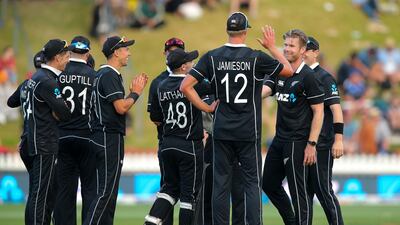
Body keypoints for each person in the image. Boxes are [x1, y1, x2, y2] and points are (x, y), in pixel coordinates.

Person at [180, 12, 293, 225]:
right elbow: (287, 70)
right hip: (248, 130)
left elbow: (185, 86)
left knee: (220, 185)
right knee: (252, 183)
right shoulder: (255, 56)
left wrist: (207, 107)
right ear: (245, 31)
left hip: (222, 129)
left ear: (227, 31)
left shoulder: (212, 57)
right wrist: (271, 46)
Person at [261, 29, 324, 225]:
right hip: (280, 139)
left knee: (299, 192)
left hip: (298, 141)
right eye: (285, 45)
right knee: (268, 183)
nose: (287, 49)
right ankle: (291, 221)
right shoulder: (280, 72)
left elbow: (319, 112)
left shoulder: (308, 76)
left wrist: (311, 144)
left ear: (303, 49)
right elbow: (263, 91)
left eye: (291, 46)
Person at [84, 36, 148, 225]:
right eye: (126, 49)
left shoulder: (102, 74)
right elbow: (121, 108)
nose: (129, 53)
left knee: (107, 192)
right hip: (108, 137)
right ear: (116, 52)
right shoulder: (109, 75)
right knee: (106, 192)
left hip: (100, 136)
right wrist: (136, 92)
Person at [8, 39, 72, 225]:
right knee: (42, 193)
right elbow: (65, 113)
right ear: (57, 57)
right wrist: (58, 107)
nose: (68, 59)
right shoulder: (48, 82)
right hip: (44, 143)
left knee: (39, 190)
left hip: (28, 141)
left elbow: (11, 102)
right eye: (67, 55)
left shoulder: (31, 80)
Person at [145, 48, 211, 225]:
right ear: (183, 67)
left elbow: (156, 118)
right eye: (190, 61)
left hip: (167, 144)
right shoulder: (194, 84)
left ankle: (150, 222)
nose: (193, 64)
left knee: (169, 190)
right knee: (188, 197)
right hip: (189, 144)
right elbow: (215, 86)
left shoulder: (160, 85)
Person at [53, 36, 97, 225]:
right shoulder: (95, 76)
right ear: (88, 53)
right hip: (88, 137)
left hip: (62, 136)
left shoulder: (58, 74)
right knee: (90, 190)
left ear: (69, 52)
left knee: (64, 191)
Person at [303, 36, 345, 225]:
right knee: (305, 192)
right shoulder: (299, 75)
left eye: (307, 49)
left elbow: (336, 109)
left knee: (322, 189)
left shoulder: (325, 77)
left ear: (315, 52)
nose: (303, 53)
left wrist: (339, 139)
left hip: (322, 143)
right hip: (302, 143)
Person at [147, 37, 185, 225]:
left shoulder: (193, 78)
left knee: (186, 192)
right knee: (170, 188)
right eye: (171, 50)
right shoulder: (158, 82)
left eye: (178, 50)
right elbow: (154, 118)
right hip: (168, 141)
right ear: (165, 53)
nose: (174, 53)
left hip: (185, 143)